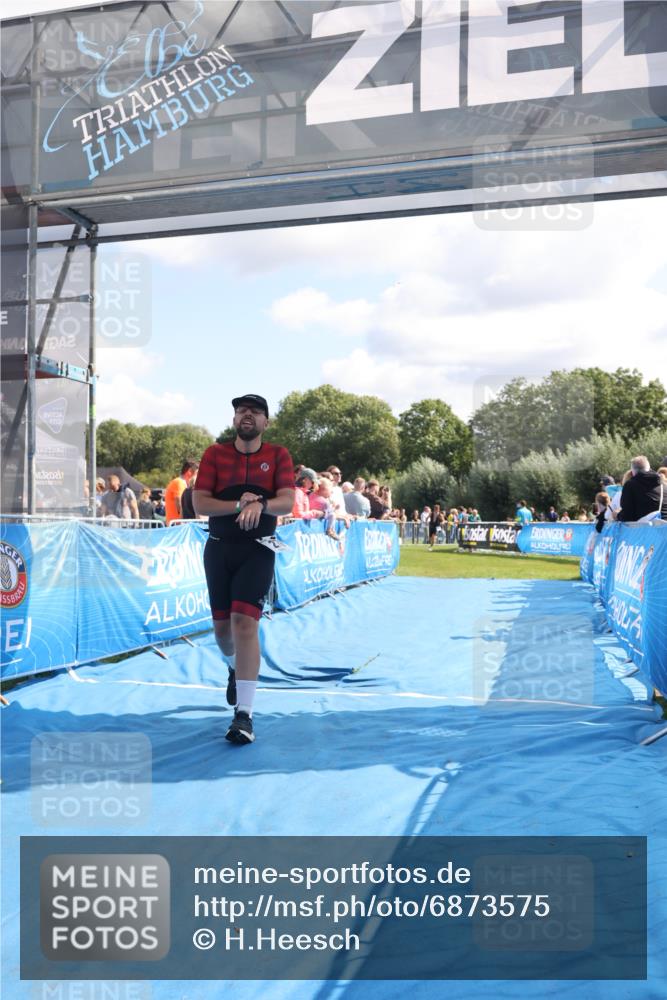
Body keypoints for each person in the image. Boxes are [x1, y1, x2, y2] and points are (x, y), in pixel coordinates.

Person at [193, 394, 295, 746]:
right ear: (234, 420)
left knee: (244, 623)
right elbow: (200, 502)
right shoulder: (215, 454)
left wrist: (261, 503)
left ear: (265, 422)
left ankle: (244, 715)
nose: (246, 415)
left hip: (259, 549)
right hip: (219, 549)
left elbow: (287, 500)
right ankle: (234, 667)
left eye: (254, 411)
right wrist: (239, 503)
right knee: (222, 630)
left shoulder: (278, 455)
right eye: (240, 410)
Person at [617, 455, 667, 522]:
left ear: (632, 471)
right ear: (649, 469)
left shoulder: (630, 485)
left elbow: (627, 517)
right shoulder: (663, 485)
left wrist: (617, 515)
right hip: (664, 530)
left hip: (645, 530)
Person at [165, 460, 199, 525]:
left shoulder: (181, 483)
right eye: (197, 473)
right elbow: (179, 504)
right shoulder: (179, 483)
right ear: (189, 472)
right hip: (176, 525)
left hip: (177, 524)